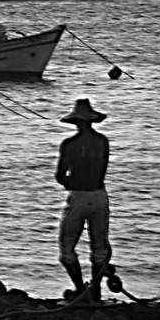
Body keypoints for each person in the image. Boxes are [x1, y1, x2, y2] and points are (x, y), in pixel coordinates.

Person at [55, 98, 112, 303]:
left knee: (67, 248)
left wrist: (70, 182)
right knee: (99, 247)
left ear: (76, 122)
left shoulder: (69, 144)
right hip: (99, 195)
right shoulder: (102, 142)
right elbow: (103, 169)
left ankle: (80, 289)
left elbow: (60, 175)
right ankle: (95, 292)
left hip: (78, 195)